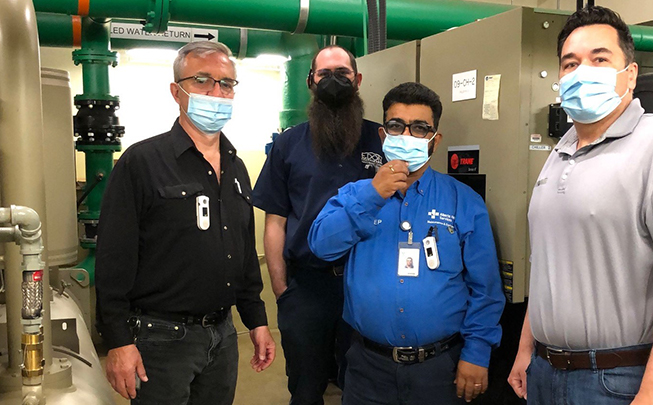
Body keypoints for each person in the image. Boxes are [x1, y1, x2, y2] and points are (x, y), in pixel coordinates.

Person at [507, 6, 653, 405]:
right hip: (547, 371)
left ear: (631, 73)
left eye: (599, 59)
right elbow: (551, 264)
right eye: (570, 63)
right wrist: (526, 349)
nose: (582, 70)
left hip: (623, 380)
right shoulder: (562, 150)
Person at [95, 41, 275, 405]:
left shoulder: (237, 167)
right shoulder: (141, 162)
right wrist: (118, 342)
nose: (217, 92)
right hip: (160, 339)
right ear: (176, 91)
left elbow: (240, 253)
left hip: (222, 336)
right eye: (203, 80)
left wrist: (256, 320)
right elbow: (113, 260)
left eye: (226, 84)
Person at [308, 82, 506, 405]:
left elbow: (485, 288)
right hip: (367, 367)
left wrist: (478, 352)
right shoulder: (356, 194)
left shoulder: (463, 202)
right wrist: (373, 195)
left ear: (434, 140)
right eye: (397, 126)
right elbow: (321, 245)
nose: (407, 135)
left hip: (440, 369)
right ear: (384, 135)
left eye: (419, 128)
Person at [252, 45, 384, 405]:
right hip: (308, 287)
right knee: (306, 388)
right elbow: (275, 221)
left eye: (342, 73)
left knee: (363, 383)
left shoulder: (383, 139)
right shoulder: (287, 144)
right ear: (311, 82)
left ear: (357, 80)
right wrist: (282, 290)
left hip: (369, 284)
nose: (333, 81)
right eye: (324, 74)